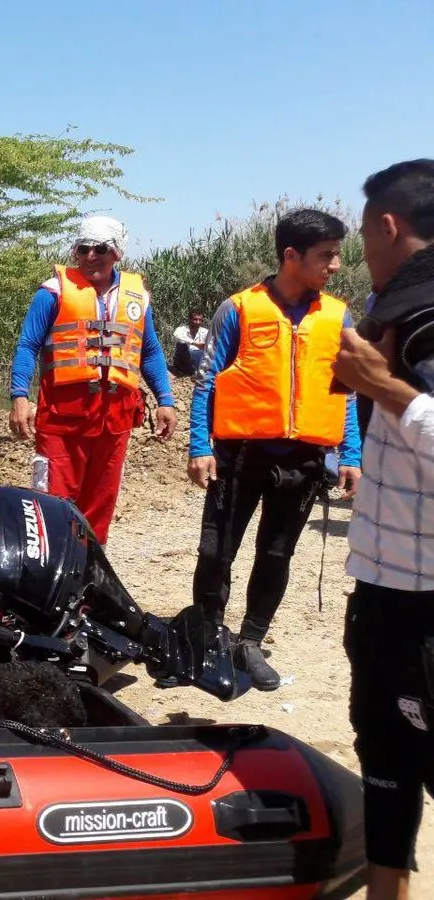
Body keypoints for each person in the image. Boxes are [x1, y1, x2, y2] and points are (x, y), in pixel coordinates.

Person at [181, 208, 362, 692]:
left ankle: (250, 641)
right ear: (290, 256)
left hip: (303, 463)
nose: (335, 265)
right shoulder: (238, 309)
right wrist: (200, 445)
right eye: (327, 256)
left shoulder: (338, 316)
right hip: (240, 456)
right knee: (217, 551)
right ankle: (209, 636)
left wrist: (351, 455)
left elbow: (346, 391)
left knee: (277, 554)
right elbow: (205, 385)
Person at [333, 158, 434, 900]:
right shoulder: (401, 312)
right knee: (387, 766)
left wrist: (386, 390)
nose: (361, 251)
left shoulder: (428, 319)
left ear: (389, 227)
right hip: (384, 591)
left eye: (364, 234)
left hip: (425, 606)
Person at [8, 215, 178, 546]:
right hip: (61, 423)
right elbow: (27, 345)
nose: (91, 256)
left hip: (113, 424)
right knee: (51, 508)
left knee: (99, 510)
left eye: (100, 248)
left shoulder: (136, 297)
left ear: (117, 253)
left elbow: (150, 352)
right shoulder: (53, 292)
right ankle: (48, 577)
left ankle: (88, 576)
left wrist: (166, 400)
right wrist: (19, 396)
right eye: (83, 249)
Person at [170, 308, 209, 375]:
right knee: (181, 344)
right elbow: (176, 335)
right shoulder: (182, 329)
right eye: (195, 319)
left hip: (198, 358)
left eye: (200, 320)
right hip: (184, 360)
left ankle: (198, 371)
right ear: (190, 319)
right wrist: (195, 343)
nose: (198, 322)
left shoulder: (205, 331)